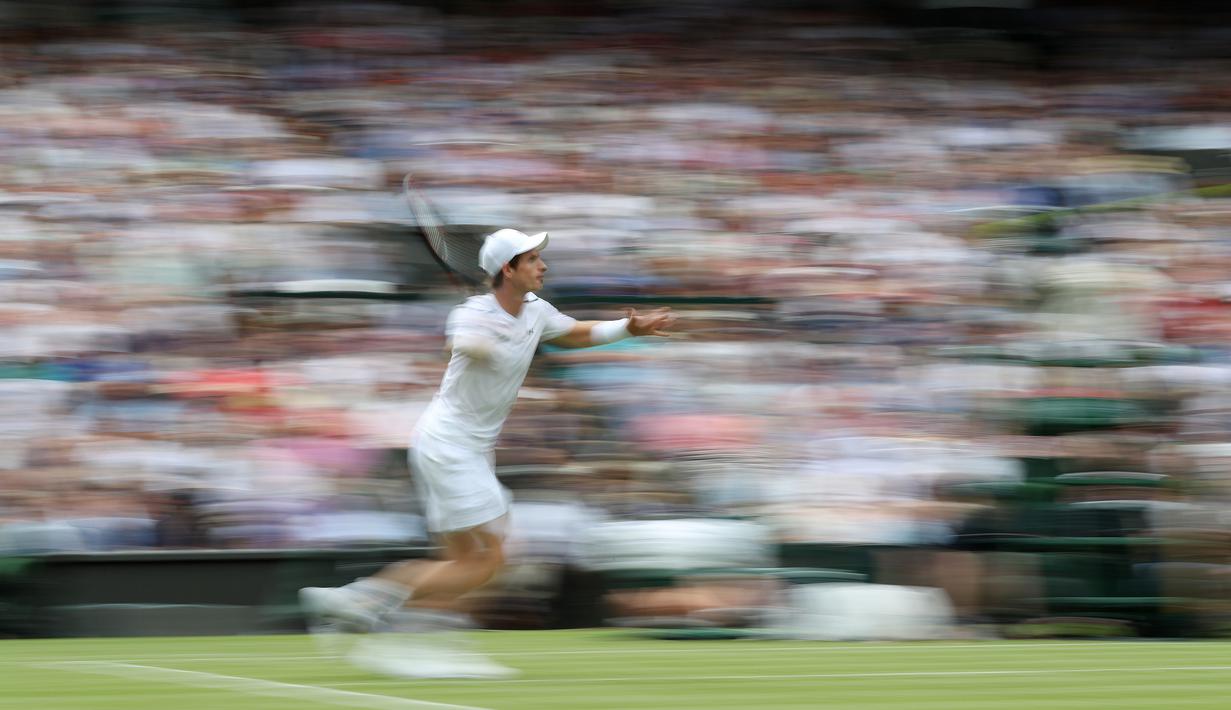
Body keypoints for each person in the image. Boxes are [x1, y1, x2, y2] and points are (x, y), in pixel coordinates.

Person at [300, 228, 675, 678]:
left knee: (461, 563)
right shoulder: (472, 313)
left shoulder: (536, 311)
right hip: (449, 446)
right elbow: (458, 343)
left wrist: (627, 328)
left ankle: (417, 638)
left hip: (465, 449)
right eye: (532, 259)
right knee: (493, 559)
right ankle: (359, 602)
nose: (543, 265)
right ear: (508, 269)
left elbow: (573, 333)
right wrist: (477, 343)